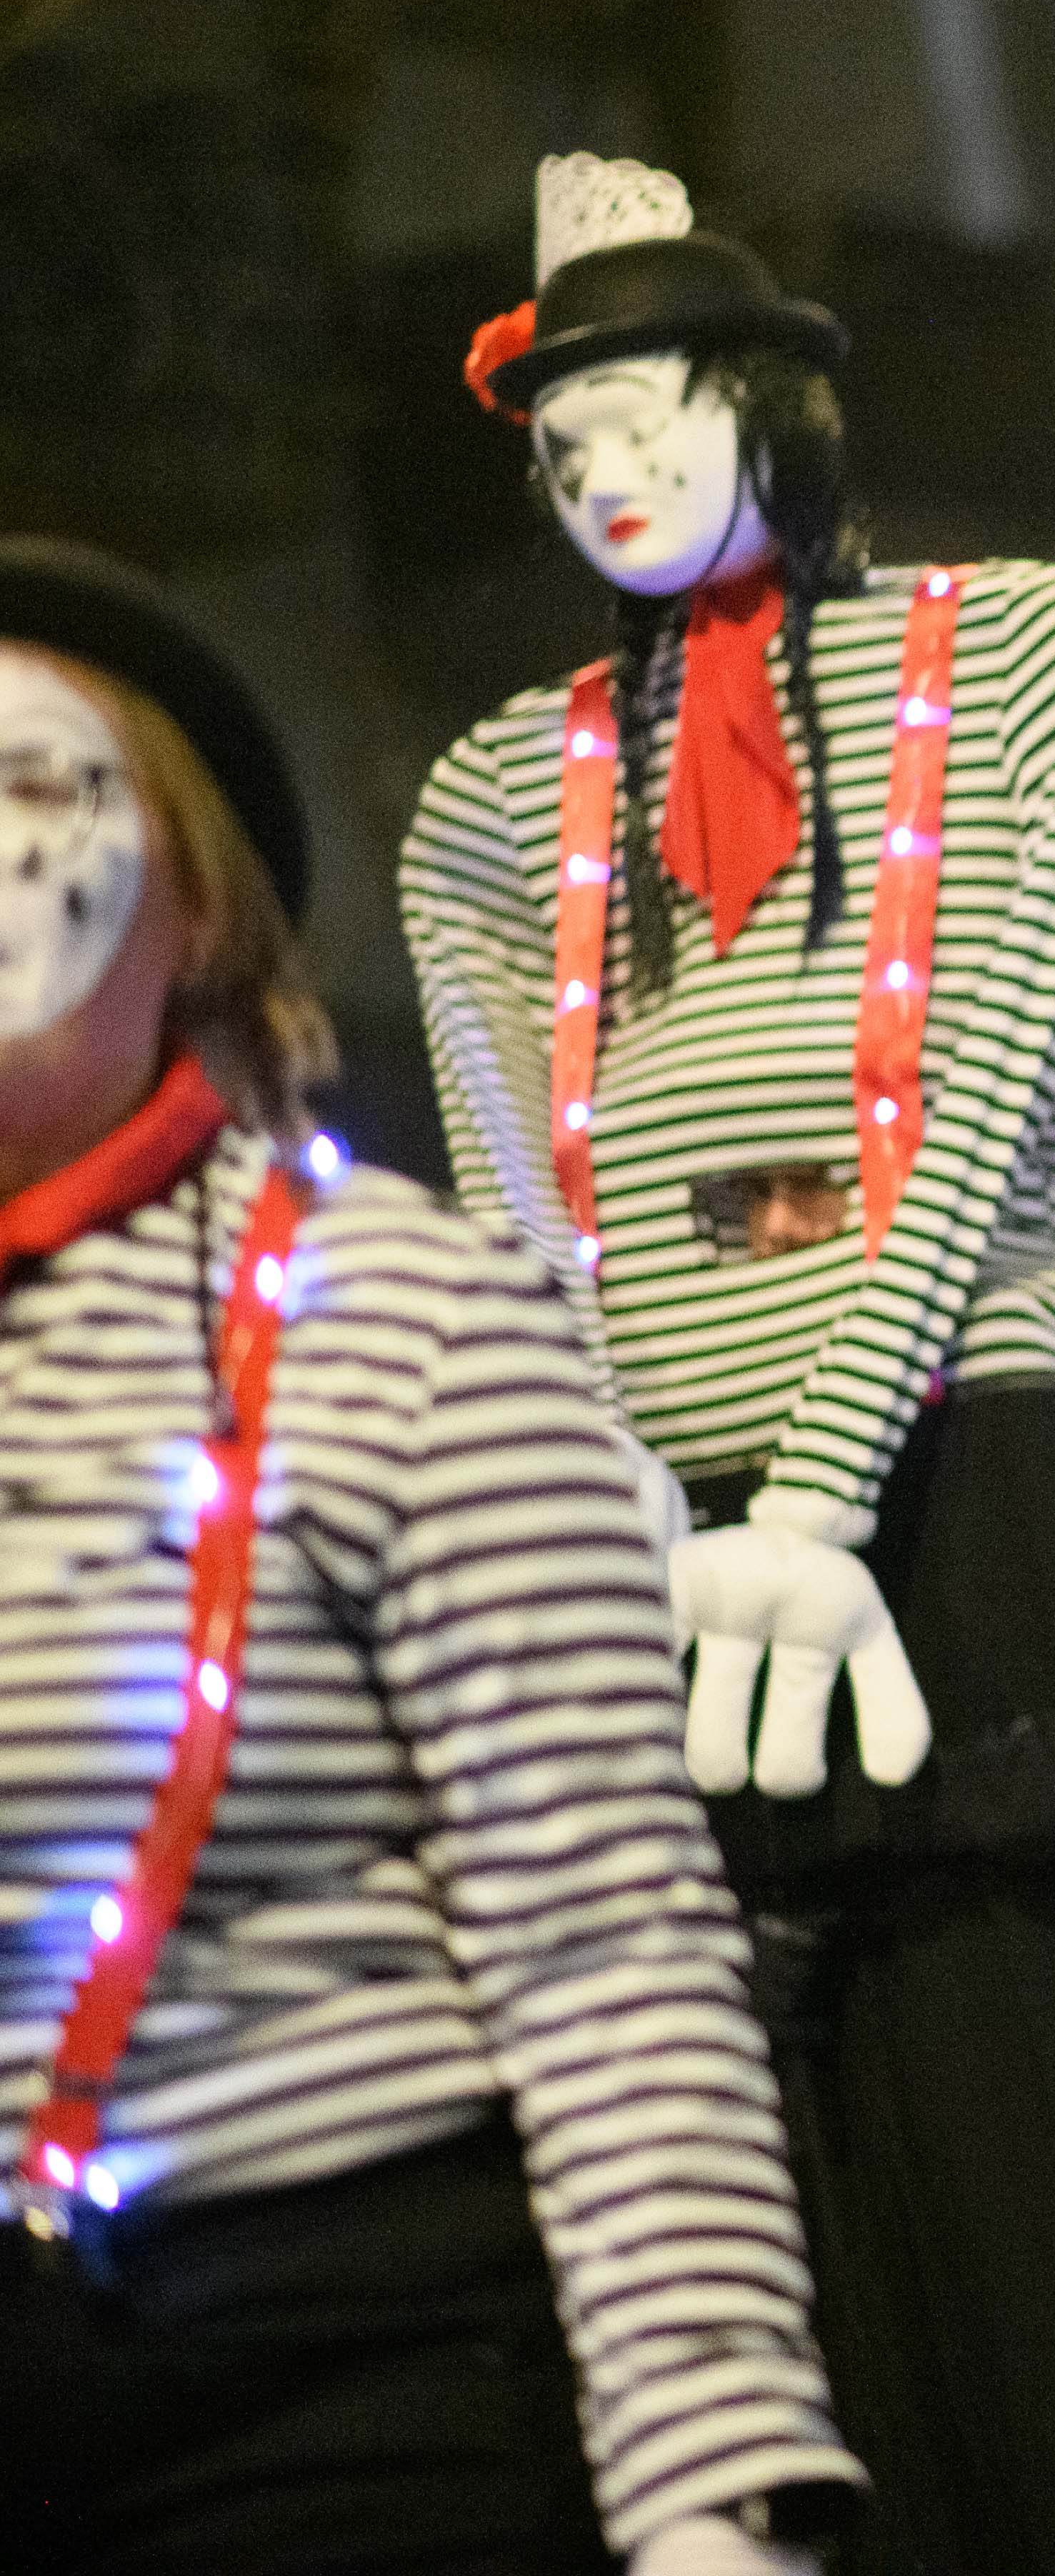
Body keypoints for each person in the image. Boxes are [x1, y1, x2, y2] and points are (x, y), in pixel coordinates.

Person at [399, 156, 1055, 2573]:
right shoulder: (501, 800)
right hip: (671, 1517)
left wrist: (815, 1490)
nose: (606, 469)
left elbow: (988, 1075)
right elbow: (523, 1206)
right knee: (777, 2232)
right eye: (563, 429)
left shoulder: (1042, 662)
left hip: (979, 1459)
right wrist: (635, 1508)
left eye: (648, 402)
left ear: (775, 406)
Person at [0, 539, 856, 2572]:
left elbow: (608, 1955)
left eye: (37, 795)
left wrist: (712, 2498)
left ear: (198, 900)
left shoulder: (410, 1319)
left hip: (335, 2392)